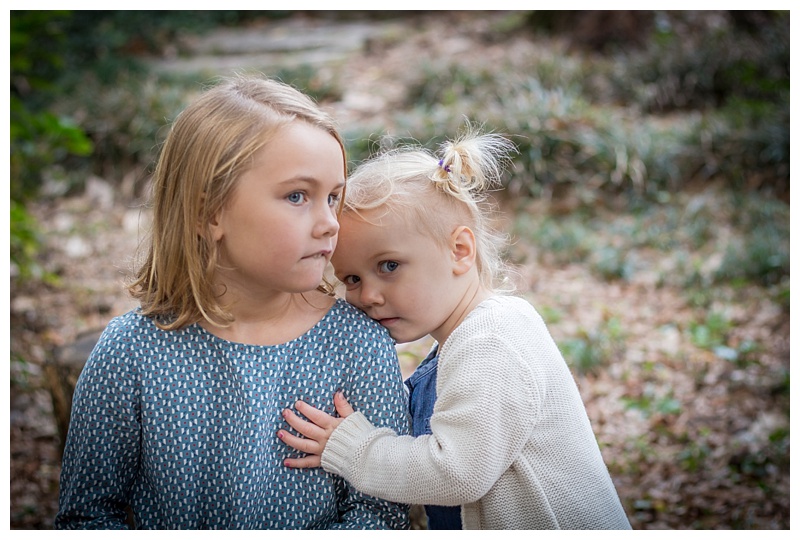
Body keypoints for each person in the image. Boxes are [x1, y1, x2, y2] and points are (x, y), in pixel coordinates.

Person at [54, 75, 410, 530]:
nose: (329, 224)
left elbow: (381, 512)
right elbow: (86, 515)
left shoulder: (358, 345)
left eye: (334, 198)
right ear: (209, 213)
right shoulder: (130, 353)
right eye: (297, 196)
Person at [277, 127, 632, 530]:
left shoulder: (493, 341)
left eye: (389, 266)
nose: (368, 296)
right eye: (352, 279)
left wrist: (354, 448)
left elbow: (458, 472)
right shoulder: (464, 339)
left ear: (459, 251)